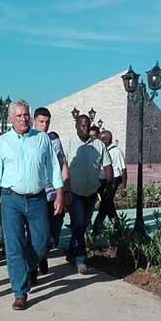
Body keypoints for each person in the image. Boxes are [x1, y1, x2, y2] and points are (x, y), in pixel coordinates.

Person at [0, 100, 64, 311]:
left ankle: (28, 268)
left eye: (25, 115)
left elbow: (53, 167)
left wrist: (59, 194)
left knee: (42, 242)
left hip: (37, 199)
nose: (23, 119)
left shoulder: (41, 139)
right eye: (18, 115)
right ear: (10, 119)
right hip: (11, 200)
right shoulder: (2, 142)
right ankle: (20, 293)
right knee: (13, 246)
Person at [62, 114, 113, 273]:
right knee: (78, 224)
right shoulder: (68, 144)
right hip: (74, 192)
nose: (85, 128)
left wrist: (108, 186)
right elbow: (63, 168)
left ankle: (71, 252)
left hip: (91, 192)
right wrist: (65, 190)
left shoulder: (99, 145)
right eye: (82, 125)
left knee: (82, 225)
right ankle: (81, 260)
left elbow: (108, 167)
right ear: (76, 126)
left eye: (87, 125)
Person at [32, 107, 71, 276]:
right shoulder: (29, 139)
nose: (44, 125)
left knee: (53, 236)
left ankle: (42, 255)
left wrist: (66, 189)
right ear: (34, 121)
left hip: (54, 194)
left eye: (47, 122)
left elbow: (63, 164)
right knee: (37, 234)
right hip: (36, 195)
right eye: (41, 121)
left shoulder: (54, 140)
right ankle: (32, 267)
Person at [92, 130, 127, 234]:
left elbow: (124, 170)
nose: (100, 141)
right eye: (99, 139)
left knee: (105, 203)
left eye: (102, 139)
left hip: (113, 180)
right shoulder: (101, 150)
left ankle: (96, 228)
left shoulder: (116, 151)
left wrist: (124, 187)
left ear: (108, 139)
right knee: (108, 204)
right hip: (102, 181)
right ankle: (118, 228)